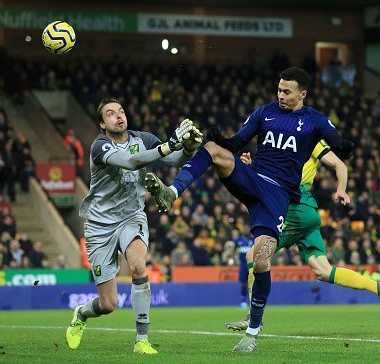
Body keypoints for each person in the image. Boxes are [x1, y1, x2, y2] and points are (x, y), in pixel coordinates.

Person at [146, 67, 353, 352]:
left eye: (287, 91)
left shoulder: (314, 120)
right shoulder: (264, 112)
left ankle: (252, 332)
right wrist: (221, 137)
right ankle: (171, 192)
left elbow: (339, 143)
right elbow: (236, 143)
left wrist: (345, 147)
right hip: (253, 177)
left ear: (302, 94)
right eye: (279, 89)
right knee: (213, 149)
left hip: (278, 196)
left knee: (262, 260)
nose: (281, 95)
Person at [65, 97, 203, 354]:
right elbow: (132, 162)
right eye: (110, 114)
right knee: (109, 304)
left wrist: (189, 149)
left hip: (132, 216)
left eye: (121, 111)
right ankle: (82, 314)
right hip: (99, 225)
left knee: (139, 265)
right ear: (102, 124)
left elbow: (173, 160)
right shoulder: (100, 146)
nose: (119, 116)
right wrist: (168, 145)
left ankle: (141, 340)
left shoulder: (144, 138)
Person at [224, 142, 380, 331]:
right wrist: (252, 168)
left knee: (253, 255)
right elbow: (272, 177)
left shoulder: (310, 140)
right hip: (308, 212)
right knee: (323, 270)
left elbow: (339, 164)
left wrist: (341, 188)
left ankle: (253, 317)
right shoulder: (283, 140)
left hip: (294, 208)